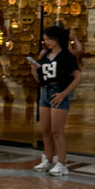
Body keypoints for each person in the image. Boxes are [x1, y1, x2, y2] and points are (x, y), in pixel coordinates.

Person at [30, 24, 81, 177]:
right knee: (45, 130)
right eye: (45, 40)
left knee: (56, 130)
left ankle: (62, 163)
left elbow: (78, 77)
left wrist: (64, 94)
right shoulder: (45, 56)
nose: (46, 42)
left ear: (57, 39)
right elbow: (40, 79)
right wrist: (34, 70)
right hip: (45, 92)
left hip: (59, 91)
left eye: (49, 39)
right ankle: (47, 159)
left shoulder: (67, 56)